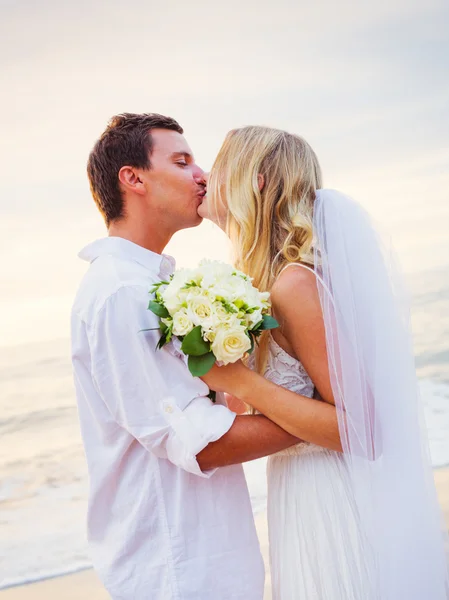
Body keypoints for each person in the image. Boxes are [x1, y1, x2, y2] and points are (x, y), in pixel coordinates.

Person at [71, 113, 341, 599]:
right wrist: (325, 418)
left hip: (208, 555)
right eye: (181, 161)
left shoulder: (156, 286)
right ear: (132, 179)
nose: (202, 175)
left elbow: (216, 407)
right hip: (177, 565)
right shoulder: (122, 294)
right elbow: (202, 443)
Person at [198, 126, 449, 600]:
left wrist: (243, 383)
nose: (204, 177)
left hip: (330, 500)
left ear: (254, 181)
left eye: (217, 165)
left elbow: (361, 429)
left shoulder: (294, 284)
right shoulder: (261, 284)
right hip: (296, 494)